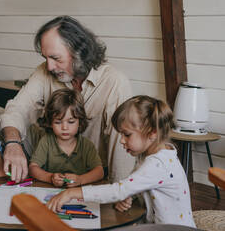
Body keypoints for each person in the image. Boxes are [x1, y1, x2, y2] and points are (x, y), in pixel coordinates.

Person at [0, 15, 134, 183]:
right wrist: (12, 143)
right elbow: (18, 108)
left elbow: (120, 148)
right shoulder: (44, 71)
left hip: (94, 176)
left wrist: (120, 191)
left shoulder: (115, 82)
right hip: (51, 169)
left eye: (55, 58)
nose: (49, 66)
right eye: (45, 58)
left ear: (79, 52)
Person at [47, 95, 196, 227]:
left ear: (152, 133)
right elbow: (135, 185)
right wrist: (130, 196)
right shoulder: (153, 155)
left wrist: (72, 193)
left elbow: (119, 190)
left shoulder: (158, 164)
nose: (122, 141)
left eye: (127, 135)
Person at [29, 89, 104, 187]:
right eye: (58, 122)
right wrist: (50, 177)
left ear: (80, 122)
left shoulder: (86, 145)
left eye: (71, 122)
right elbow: (33, 168)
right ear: (50, 123)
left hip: (78, 195)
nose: (64, 127)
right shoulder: (46, 141)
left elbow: (99, 172)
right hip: (50, 193)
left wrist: (80, 180)